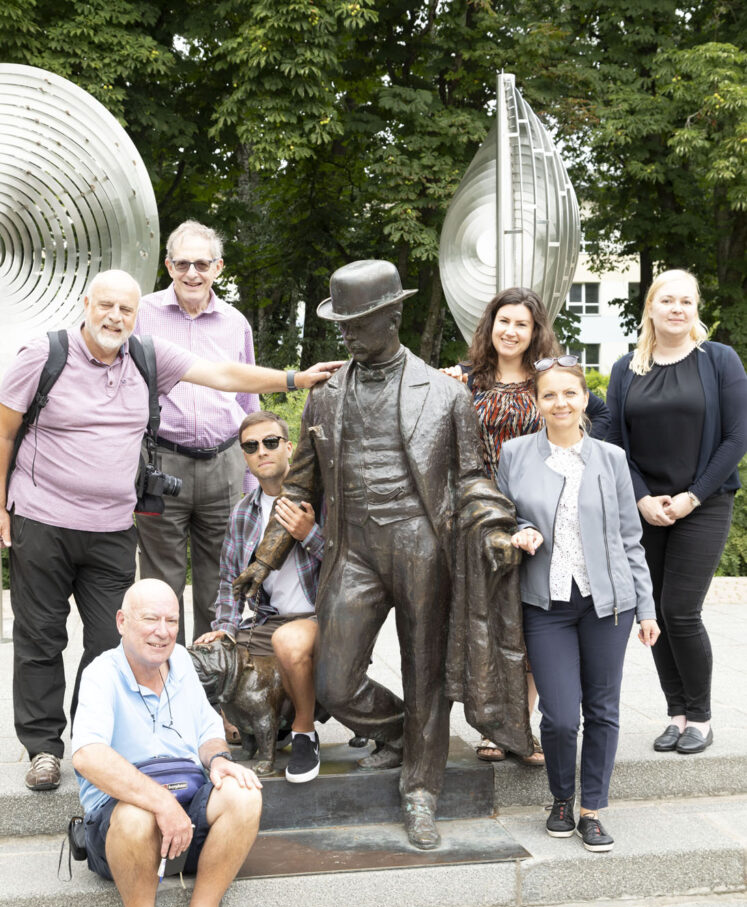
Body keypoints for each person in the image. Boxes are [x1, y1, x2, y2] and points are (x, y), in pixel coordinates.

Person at [0, 269, 341, 791]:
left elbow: (225, 375)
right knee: (40, 638)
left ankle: (98, 740)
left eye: (126, 309)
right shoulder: (43, 355)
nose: (115, 317)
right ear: (86, 303)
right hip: (42, 519)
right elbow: (4, 429)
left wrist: (296, 379)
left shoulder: (146, 356)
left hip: (113, 526)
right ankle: (44, 747)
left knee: (108, 642)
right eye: (106, 305)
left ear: (137, 315)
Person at [234, 259, 530, 851]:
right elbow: (298, 488)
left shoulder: (447, 395)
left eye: (358, 321)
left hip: (423, 543)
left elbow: (473, 478)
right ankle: (405, 734)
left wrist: (495, 529)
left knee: (426, 672)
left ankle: (421, 790)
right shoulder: (325, 397)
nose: (345, 333)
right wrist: (264, 560)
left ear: (393, 315)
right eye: (341, 322)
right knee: (334, 679)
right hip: (355, 549)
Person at [443, 287, 610, 766]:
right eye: (504, 321)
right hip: (478, 515)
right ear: (490, 326)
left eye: (522, 323)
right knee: (491, 619)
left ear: (535, 331)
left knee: (531, 618)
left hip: (538, 510)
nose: (511, 331)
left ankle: (524, 725)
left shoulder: (547, 379)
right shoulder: (465, 380)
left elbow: (594, 415)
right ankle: (495, 723)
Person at [498, 356, 659, 851]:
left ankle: (592, 810)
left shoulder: (611, 459)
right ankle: (561, 798)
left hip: (608, 604)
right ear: (537, 402)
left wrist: (647, 607)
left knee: (603, 709)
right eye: (550, 395)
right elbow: (501, 514)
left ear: (584, 398)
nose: (560, 402)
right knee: (561, 715)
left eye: (569, 393)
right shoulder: (515, 454)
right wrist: (519, 529)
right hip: (546, 604)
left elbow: (631, 539)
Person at [71, 578, 263, 907]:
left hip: (190, 811)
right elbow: (87, 754)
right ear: (122, 621)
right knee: (136, 814)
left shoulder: (179, 660)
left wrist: (218, 761)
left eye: (172, 620)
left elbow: (209, 729)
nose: (163, 630)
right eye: (150, 619)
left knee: (243, 793)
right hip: (121, 833)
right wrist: (160, 802)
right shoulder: (101, 674)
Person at [606, 269, 747, 754]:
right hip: (648, 507)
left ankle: (702, 718)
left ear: (696, 309)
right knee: (656, 613)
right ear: (650, 306)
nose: (677, 309)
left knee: (681, 610)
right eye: (667, 300)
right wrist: (642, 498)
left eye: (687, 301)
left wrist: (693, 495)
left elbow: (737, 437)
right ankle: (676, 713)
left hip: (703, 503)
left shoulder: (719, 360)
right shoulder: (627, 369)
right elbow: (615, 443)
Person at [135, 221, 259, 645]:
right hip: (161, 463)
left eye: (201, 264)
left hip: (223, 464)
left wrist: (250, 477)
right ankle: (164, 676)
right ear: (168, 265)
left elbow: (248, 399)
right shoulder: (141, 314)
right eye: (183, 263)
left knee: (221, 581)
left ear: (218, 267)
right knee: (161, 583)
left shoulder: (235, 322)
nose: (192, 273)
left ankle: (213, 682)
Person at [194, 410, 324, 784]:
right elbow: (229, 582)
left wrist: (309, 534)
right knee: (204, 656)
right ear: (244, 456)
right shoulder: (242, 513)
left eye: (270, 442)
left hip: (323, 616)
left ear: (289, 447)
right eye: (251, 446)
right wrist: (223, 632)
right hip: (268, 622)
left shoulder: (323, 498)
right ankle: (231, 732)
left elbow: (351, 567)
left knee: (288, 641)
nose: (261, 452)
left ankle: (304, 732)